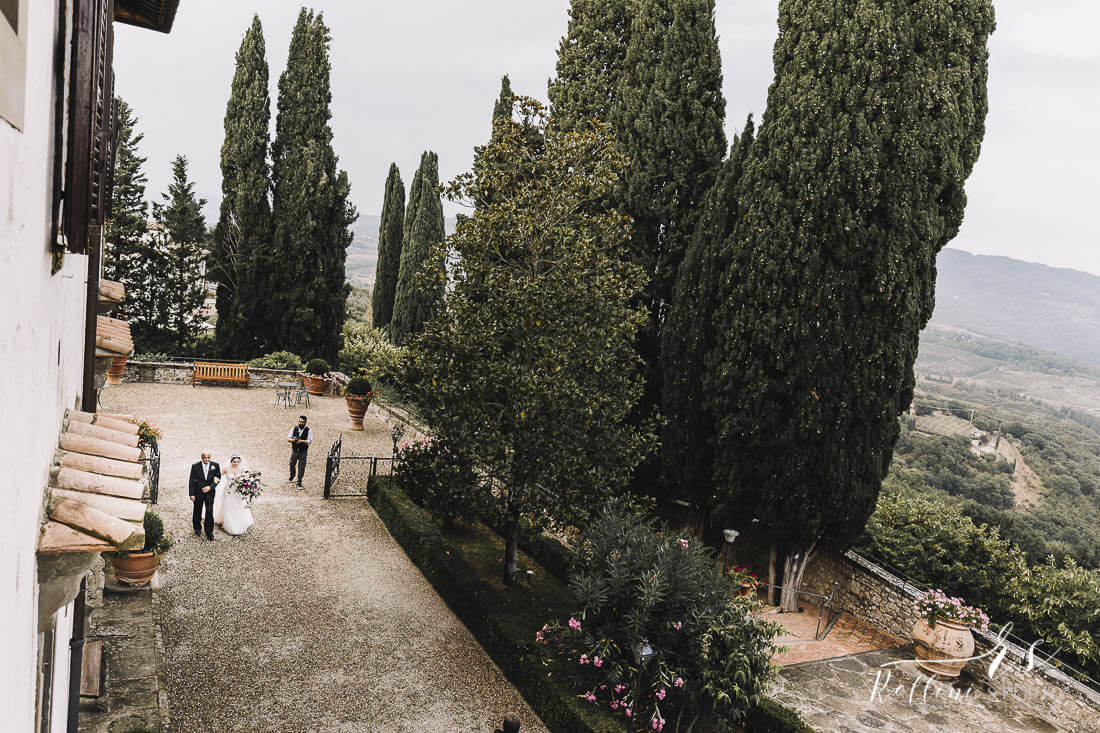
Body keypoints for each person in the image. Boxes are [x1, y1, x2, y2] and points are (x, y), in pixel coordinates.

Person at [213, 453, 254, 536]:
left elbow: (248, 477)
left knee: (238, 505)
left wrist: (248, 482)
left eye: (238, 461)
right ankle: (229, 524)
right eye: (234, 461)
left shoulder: (242, 469)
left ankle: (239, 522)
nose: (236, 463)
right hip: (228, 490)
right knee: (228, 506)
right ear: (231, 461)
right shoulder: (226, 469)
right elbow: (217, 476)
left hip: (238, 491)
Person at [188, 451, 221, 540]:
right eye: (205, 458)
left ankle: (209, 531)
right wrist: (191, 494)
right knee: (197, 510)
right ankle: (197, 528)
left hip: (210, 493)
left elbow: (218, 478)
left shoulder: (215, 465)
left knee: (209, 511)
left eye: (208, 457)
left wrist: (210, 487)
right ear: (202, 458)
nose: (207, 459)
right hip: (198, 492)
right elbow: (191, 480)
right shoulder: (195, 466)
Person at [287, 415, 312, 487]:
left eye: (302, 422)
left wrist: (301, 441)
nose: (301, 423)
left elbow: (309, 441)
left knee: (301, 466)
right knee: (291, 463)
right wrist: (293, 440)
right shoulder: (294, 428)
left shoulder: (308, 430)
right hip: (294, 450)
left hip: (303, 451)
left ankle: (299, 481)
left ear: (305, 422)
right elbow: (288, 438)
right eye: (300, 421)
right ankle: (292, 475)